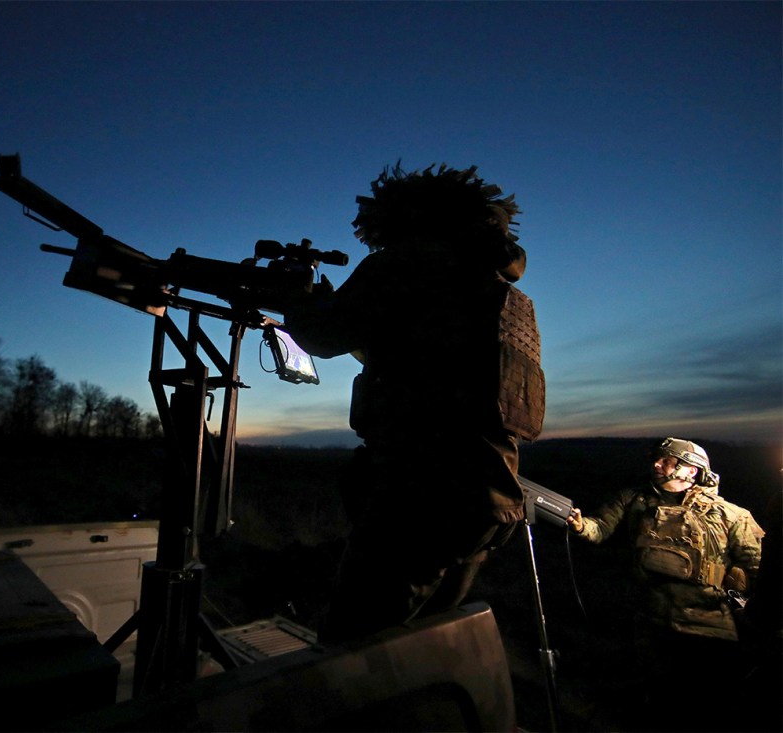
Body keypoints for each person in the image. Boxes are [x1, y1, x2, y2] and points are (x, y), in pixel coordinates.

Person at [277, 162, 545, 643]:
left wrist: (295, 299)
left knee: (355, 647)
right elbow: (419, 352)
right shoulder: (495, 289)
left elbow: (324, 334)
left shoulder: (409, 263)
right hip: (488, 495)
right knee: (421, 645)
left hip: (417, 492)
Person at [566, 437, 765, 732]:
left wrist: (759, 617)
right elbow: (600, 529)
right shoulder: (633, 500)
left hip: (710, 628)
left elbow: (760, 569)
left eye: (667, 461)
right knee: (659, 703)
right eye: (657, 459)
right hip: (653, 620)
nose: (657, 464)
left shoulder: (731, 515)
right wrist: (580, 525)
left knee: (710, 706)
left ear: (691, 471)